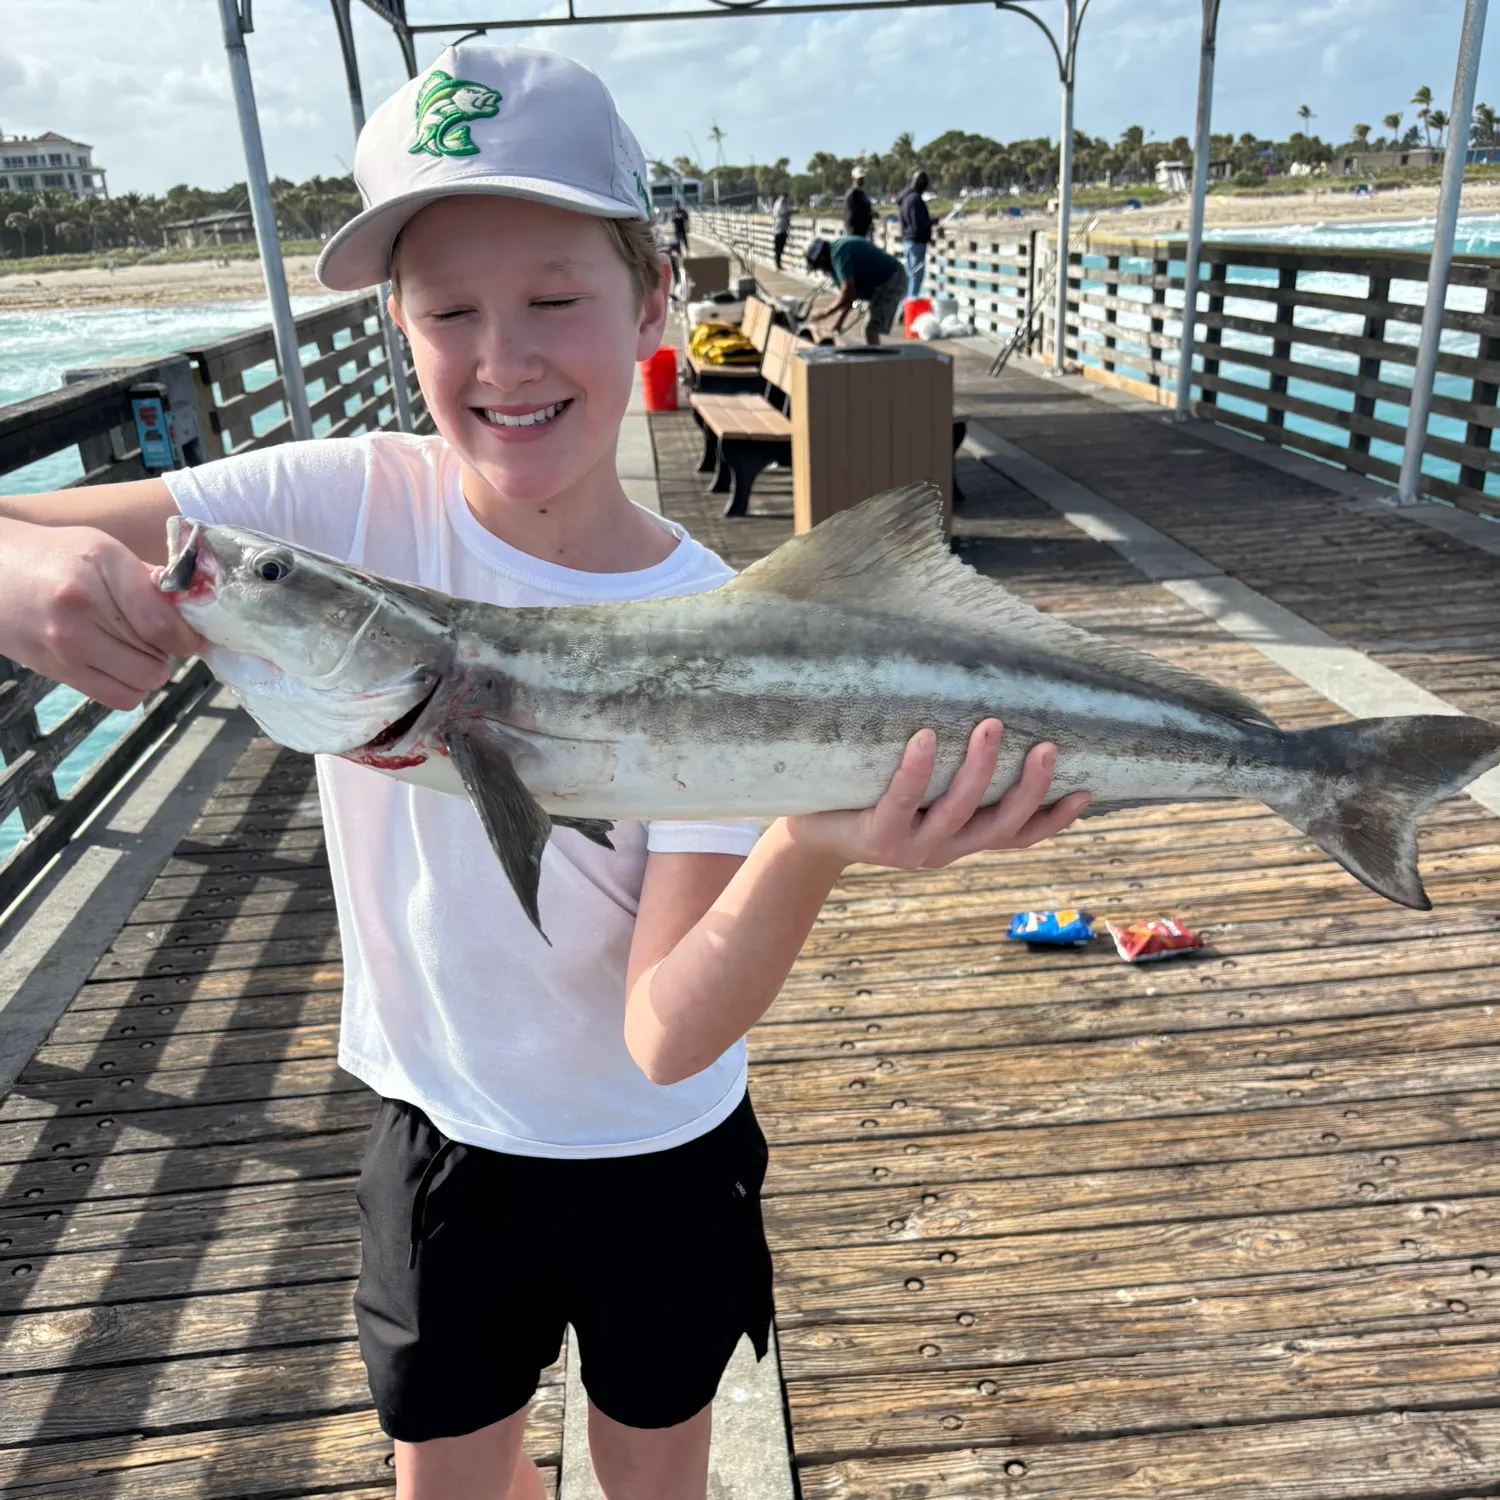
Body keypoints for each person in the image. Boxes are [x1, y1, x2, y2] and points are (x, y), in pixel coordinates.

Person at [0, 42, 1085, 1500]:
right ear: (396, 325)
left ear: (651, 303)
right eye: (449, 311)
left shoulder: (711, 632)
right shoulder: (334, 513)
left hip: (659, 1152)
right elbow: (82, 541)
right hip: (438, 1126)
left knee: (654, 1479)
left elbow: (662, 1032)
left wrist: (813, 840)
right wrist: (27, 580)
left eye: (555, 301)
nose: (501, 359)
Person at [804, 233, 908, 345]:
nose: (820, 269)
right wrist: (837, 324)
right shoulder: (834, 263)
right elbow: (850, 298)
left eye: (818, 265)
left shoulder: (839, 255)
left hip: (891, 279)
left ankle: (877, 361)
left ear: (821, 256)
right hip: (880, 283)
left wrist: (825, 312)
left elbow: (847, 293)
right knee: (869, 330)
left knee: (871, 329)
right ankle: (874, 357)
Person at [898, 169, 932, 300]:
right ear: (920, 183)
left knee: (908, 277)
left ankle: (902, 311)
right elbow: (918, 224)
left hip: (907, 242)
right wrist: (931, 222)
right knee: (916, 278)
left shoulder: (904, 198)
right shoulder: (915, 199)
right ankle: (908, 311)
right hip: (916, 243)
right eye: (925, 184)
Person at [843, 171, 872, 238]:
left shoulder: (861, 193)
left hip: (864, 230)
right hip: (855, 230)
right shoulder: (852, 194)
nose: (862, 180)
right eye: (860, 178)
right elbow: (852, 213)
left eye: (862, 178)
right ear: (854, 179)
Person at [771, 193, 792, 271]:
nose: (784, 199)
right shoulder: (779, 204)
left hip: (783, 228)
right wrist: (791, 212)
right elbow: (784, 212)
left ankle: (778, 263)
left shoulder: (780, 203)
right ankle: (777, 264)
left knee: (780, 246)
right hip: (779, 228)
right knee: (778, 247)